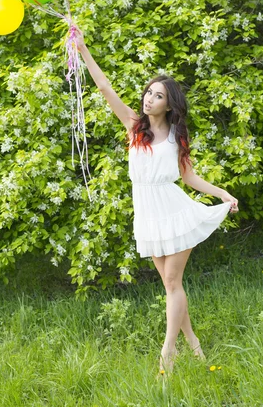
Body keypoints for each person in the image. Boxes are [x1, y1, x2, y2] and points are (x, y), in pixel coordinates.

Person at [73, 26, 239, 378]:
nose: (149, 99)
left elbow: (189, 178)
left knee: (173, 283)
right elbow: (104, 87)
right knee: (170, 285)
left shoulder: (177, 135)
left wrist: (222, 194)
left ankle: (169, 351)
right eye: (148, 92)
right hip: (148, 215)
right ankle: (194, 344)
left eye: (158, 95)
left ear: (170, 103)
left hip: (175, 212)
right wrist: (83, 48)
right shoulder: (135, 127)